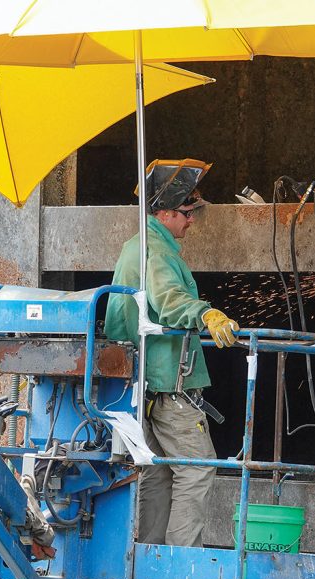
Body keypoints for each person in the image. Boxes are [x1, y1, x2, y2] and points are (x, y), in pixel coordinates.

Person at [104, 158, 240, 546]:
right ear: (163, 213)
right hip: (166, 385)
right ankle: (182, 562)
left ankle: (148, 557)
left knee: (158, 472)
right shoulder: (158, 252)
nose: (191, 220)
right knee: (197, 467)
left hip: (139, 384)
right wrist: (206, 312)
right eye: (185, 212)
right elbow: (168, 300)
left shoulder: (137, 246)